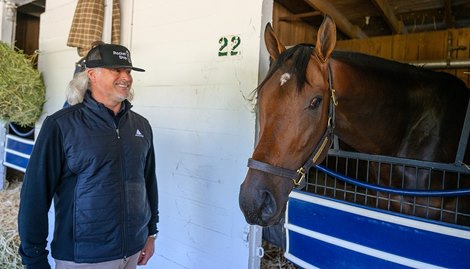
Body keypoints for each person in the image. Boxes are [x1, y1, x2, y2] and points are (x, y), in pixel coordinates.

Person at [18, 42, 159, 269]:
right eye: (117, 70)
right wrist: (33, 258)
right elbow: (35, 195)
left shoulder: (141, 125)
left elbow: (148, 182)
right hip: (82, 257)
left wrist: (151, 232)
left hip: (133, 251)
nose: (127, 77)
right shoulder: (61, 125)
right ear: (92, 74)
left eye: (129, 71)